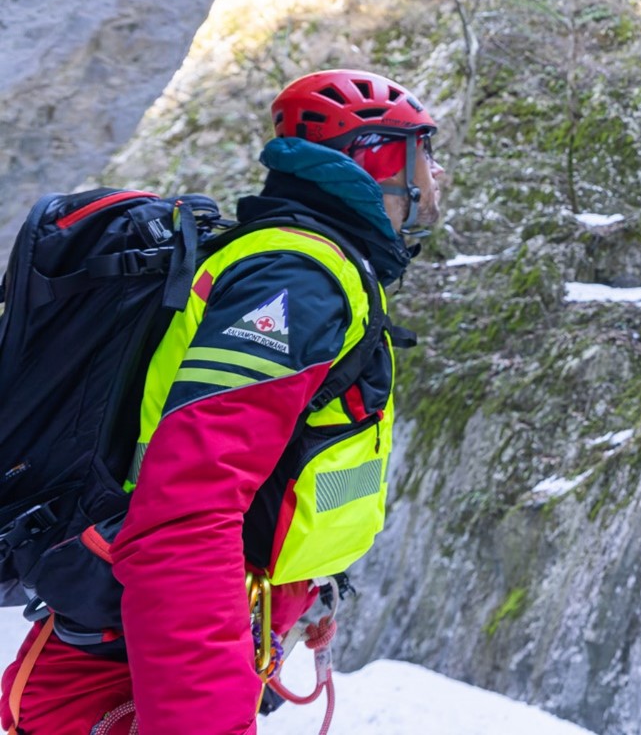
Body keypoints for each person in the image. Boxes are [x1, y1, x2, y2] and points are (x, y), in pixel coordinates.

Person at [0, 69, 443, 734]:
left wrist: (310, 585)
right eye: (423, 154)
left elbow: (277, 468)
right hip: (130, 667)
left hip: (168, 638)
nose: (436, 178)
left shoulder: (315, 271)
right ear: (374, 161)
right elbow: (184, 513)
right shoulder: (298, 279)